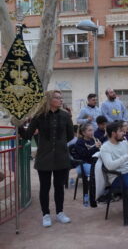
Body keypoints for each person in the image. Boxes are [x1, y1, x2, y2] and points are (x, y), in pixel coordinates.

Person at [19, 90, 74, 227]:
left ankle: (60, 212)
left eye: (61, 98)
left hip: (61, 156)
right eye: (57, 97)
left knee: (59, 187)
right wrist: (18, 124)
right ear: (49, 99)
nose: (60, 100)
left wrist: (60, 144)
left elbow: (71, 136)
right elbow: (27, 135)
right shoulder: (39, 116)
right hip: (44, 157)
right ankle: (46, 214)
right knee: (45, 187)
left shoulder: (66, 116)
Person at [73, 123, 101, 206]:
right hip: (82, 164)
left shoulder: (93, 140)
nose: (92, 132)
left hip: (92, 163)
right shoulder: (80, 142)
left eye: (92, 130)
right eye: (89, 130)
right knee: (97, 172)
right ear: (83, 133)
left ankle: (101, 193)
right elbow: (84, 155)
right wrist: (95, 147)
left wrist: (100, 148)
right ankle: (93, 196)